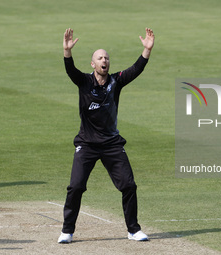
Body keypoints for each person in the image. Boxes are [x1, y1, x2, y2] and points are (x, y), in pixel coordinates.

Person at [58, 27, 155, 243]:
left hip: (112, 144)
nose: (105, 60)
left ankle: (133, 230)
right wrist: (67, 51)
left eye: (107, 58)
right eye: (100, 58)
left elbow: (136, 69)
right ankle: (67, 230)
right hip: (87, 144)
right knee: (76, 186)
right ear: (93, 64)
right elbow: (70, 70)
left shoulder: (116, 82)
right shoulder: (84, 82)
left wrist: (146, 50)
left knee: (129, 185)